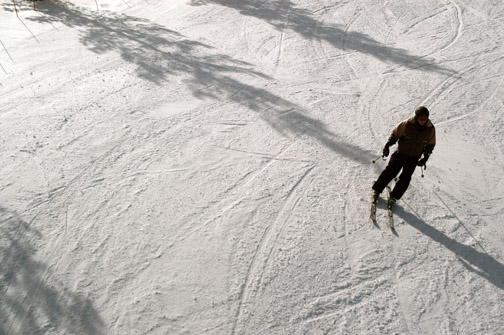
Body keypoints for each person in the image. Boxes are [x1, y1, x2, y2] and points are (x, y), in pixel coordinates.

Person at [372, 106, 436, 209]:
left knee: (405, 179)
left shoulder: (430, 129)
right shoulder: (407, 124)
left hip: (413, 158)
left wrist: (425, 158)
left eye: (425, 119)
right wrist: (387, 146)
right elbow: (395, 134)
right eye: (421, 119)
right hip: (400, 153)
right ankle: (377, 190)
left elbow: (430, 144)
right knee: (390, 172)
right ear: (416, 117)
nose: (423, 121)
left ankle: (394, 197)